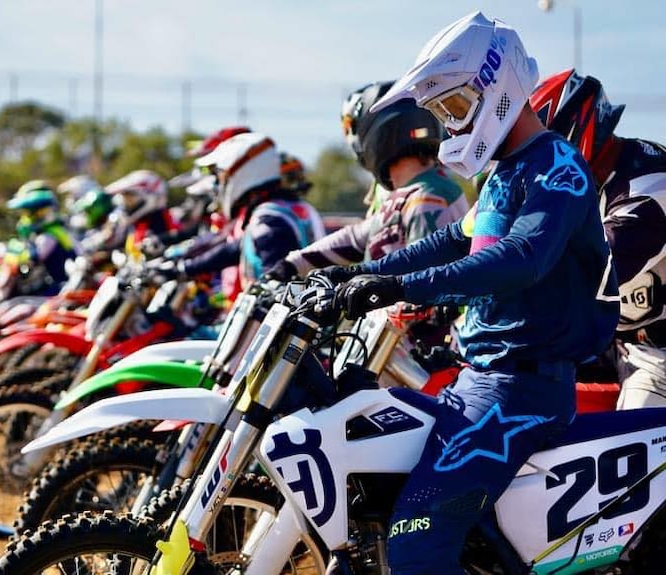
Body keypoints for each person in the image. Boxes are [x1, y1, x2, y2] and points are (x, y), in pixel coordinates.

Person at [312, 12, 618, 574]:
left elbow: (523, 257)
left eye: (454, 108)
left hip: (520, 394)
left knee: (414, 541)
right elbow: (456, 240)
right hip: (479, 382)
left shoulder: (558, 168)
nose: (450, 127)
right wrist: (356, 275)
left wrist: (394, 286)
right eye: (442, 114)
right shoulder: (505, 172)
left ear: (495, 86)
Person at [531, 69, 666, 409]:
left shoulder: (650, 187)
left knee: (631, 447)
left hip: (658, 354)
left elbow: (590, 266)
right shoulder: (585, 186)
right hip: (615, 345)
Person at [268, 84, 468, 284]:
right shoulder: (413, 193)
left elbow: (426, 284)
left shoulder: (426, 198)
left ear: (374, 134)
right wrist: (292, 264)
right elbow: (355, 239)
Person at [154, 132, 325, 290]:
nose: (218, 183)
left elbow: (278, 283)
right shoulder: (283, 208)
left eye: (220, 174)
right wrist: (184, 268)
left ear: (243, 172)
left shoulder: (269, 218)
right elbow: (234, 249)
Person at [7, 180, 77, 292]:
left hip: (61, 289)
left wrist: (8, 254)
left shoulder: (49, 236)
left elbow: (32, 259)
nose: (24, 219)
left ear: (39, 212)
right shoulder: (50, 232)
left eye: (26, 213)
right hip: (53, 288)